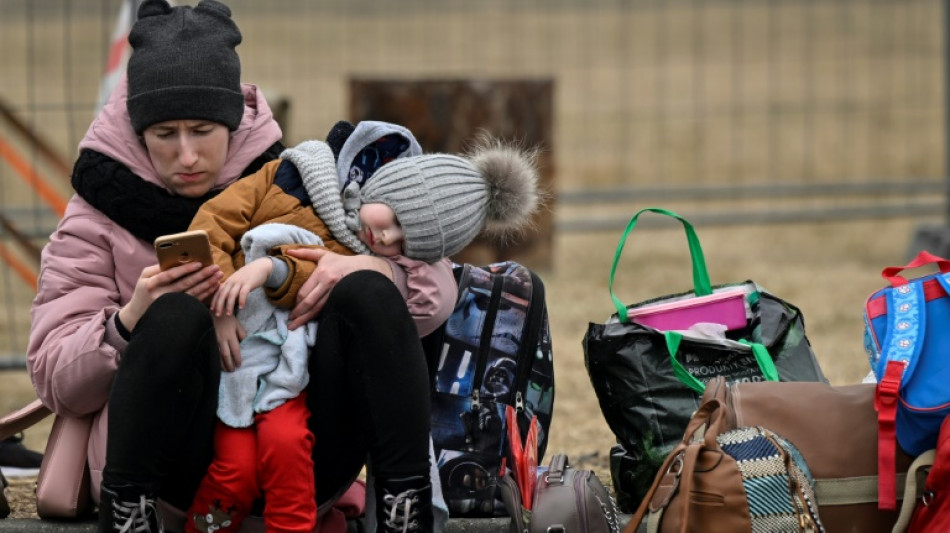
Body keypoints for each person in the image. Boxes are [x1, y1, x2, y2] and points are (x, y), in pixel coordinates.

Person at [25, 1, 454, 532]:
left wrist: (367, 268)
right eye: (165, 135)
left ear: (232, 122)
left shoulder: (297, 178)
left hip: (304, 450)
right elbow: (55, 379)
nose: (187, 155)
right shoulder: (95, 214)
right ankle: (126, 513)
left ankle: (403, 508)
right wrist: (128, 322)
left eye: (203, 129)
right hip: (169, 473)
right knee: (176, 314)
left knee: (367, 288)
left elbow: (436, 288)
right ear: (138, 133)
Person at [183, 121, 540, 533]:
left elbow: (432, 301)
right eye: (397, 217)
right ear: (388, 185)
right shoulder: (297, 176)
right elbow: (231, 232)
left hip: (298, 390)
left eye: (407, 243)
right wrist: (223, 299)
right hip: (237, 362)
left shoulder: (373, 252)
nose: (387, 236)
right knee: (236, 468)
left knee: (287, 450)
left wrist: (372, 266)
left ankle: (402, 504)